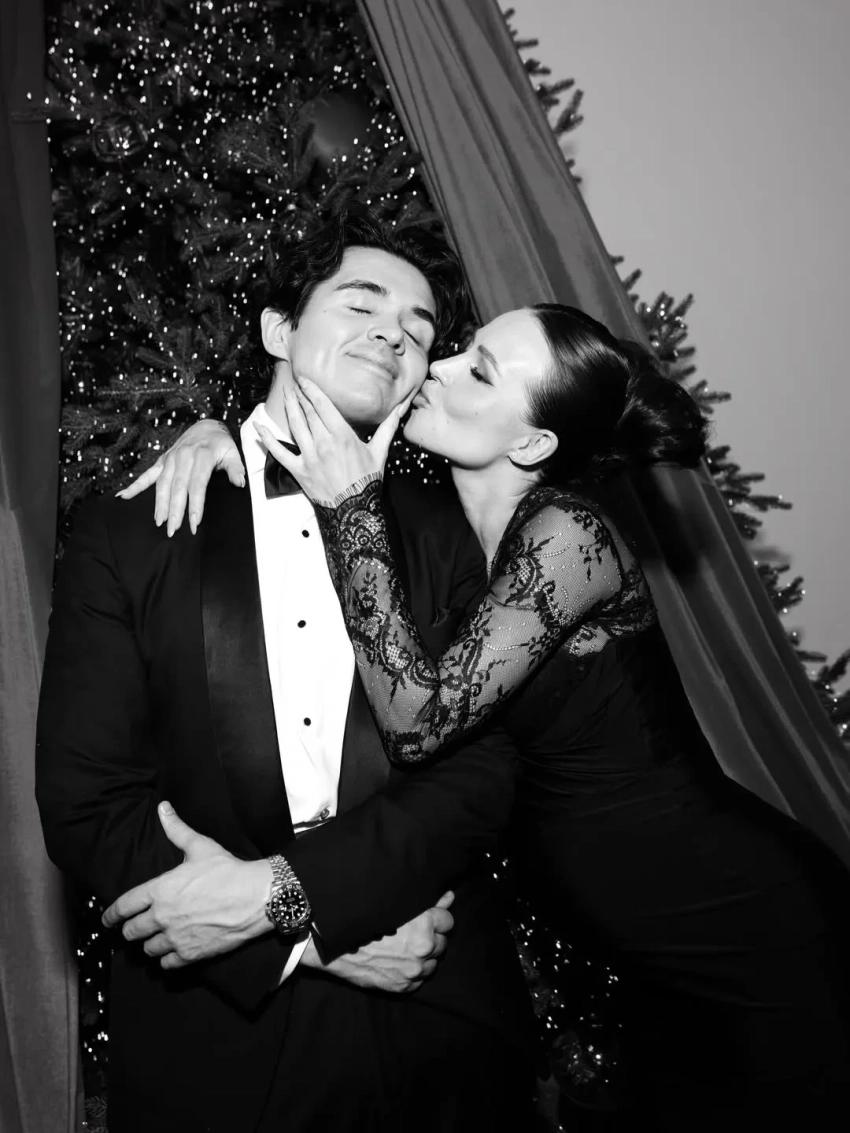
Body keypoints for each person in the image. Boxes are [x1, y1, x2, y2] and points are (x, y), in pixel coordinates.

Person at [143, 301, 850, 1129]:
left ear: (532, 445)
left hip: (750, 932)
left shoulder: (568, 535)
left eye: (477, 372)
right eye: (463, 350)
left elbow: (416, 722)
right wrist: (220, 437)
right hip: (646, 968)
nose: (438, 367)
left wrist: (351, 508)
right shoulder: (448, 535)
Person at [35, 211, 536, 1133]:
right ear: (278, 329)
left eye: (419, 325)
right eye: (362, 303)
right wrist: (308, 935)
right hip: (219, 1042)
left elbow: (480, 773)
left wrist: (296, 894)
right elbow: (86, 797)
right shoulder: (130, 531)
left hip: (439, 1012)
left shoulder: (452, 533)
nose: (395, 332)